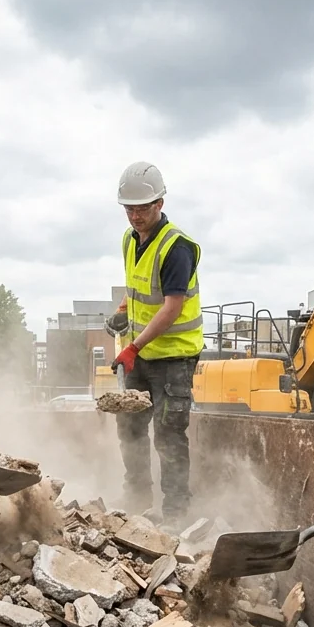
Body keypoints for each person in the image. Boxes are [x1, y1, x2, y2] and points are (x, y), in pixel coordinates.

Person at [108, 161, 203, 525]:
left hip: (174, 360)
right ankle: (136, 496)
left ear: (159, 203)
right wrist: (121, 311)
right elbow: (134, 285)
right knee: (130, 427)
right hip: (142, 356)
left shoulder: (177, 248)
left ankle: (176, 511)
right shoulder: (129, 241)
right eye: (128, 209)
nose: (134, 216)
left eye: (141, 208)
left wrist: (131, 347)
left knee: (168, 434)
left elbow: (172, 308)